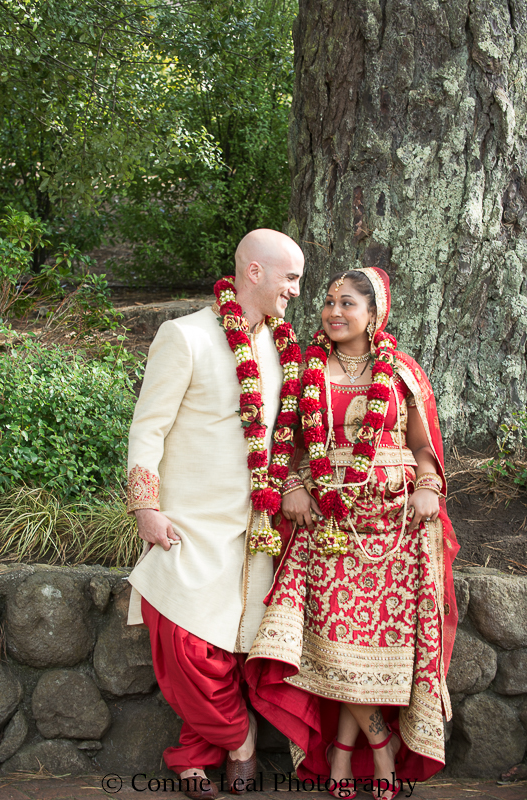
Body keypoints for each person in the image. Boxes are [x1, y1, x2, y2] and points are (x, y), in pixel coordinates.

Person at [245, 267, 459, 800]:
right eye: (328, 302)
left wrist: (429, 487)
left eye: (348, 304)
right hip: (327, 525)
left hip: (395, 530)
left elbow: (423, 447)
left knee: (373, 644)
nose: (334, 312)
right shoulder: (302, 371)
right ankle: (379, 748)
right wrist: (292, 485)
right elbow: (283, 444)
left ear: (374, 313)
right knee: (335, 642)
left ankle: (343, 751)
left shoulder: (402, 371)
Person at [126, 229, 305, 798]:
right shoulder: (186, 337)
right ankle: (240, 740)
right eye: (290, 278)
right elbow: (147, 427)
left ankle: (191, 757)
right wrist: (145, 506)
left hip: (254, 531)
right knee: (183, 643)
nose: (296, 292)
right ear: (254, 272)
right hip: (189, 525)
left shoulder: (285, 349)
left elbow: (292, 435)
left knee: (225, 650)